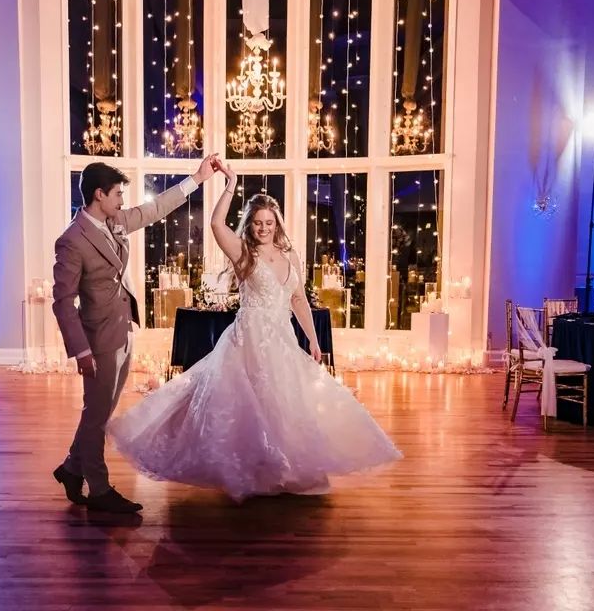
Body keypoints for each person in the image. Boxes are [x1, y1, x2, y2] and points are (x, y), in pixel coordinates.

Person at [108, 160, 402, 503]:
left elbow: (298, 300)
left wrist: (312, 338)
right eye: (258, 222)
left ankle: (282, 468)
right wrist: (230, 185)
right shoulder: (243, 252)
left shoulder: (291, 256)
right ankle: (252, 470)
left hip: (282, 339)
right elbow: (216, 224)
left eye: (269, 222)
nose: (263, 228)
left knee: (284, 404)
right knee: (248, 407)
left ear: (277, 224)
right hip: (248, 339)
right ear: (250, 224)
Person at [51, 155, 219, 514]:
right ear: (99, 195)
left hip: (123, 328)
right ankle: (98, 489)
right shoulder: (72, 241)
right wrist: (81, 351)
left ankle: (71, 468)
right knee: (97, 414)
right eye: (117, 194)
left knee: (100, 411)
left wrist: (197, 179)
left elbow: (154, 209)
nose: (122, 201)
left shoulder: (114, 222)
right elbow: (63, 302)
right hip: (97, 339)